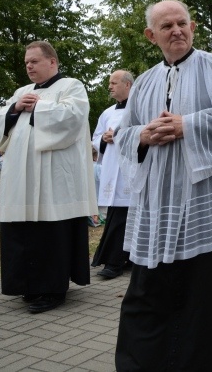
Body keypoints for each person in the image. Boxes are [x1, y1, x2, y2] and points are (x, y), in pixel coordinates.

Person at [113, 0, 212, 371]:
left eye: (182, 23)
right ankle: (145, 359)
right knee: (149, 287)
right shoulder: (143, 83)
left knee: (204, 288)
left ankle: (203, 359)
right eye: (167, 26)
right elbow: (126, 133)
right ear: (151, 35)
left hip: (206, 198)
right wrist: (144, 135)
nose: (176, 30)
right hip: (159, 202)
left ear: (192, 27)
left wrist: (186, 125)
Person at [0, 40, 96, 313]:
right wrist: (15, 108)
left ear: (52, 62)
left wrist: (37, 107)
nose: (28, 66)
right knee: (23, 232)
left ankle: (52, 289)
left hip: (54, 177)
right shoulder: (22, 91)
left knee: (50, 233)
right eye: (26, 62)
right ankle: (28, 285)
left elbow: (73, 118)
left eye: (34, 61)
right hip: (20, 177)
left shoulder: (71, 86)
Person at [91, 70, 134, 279]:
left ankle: (118, 260)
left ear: (128, 85)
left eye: (114, 82)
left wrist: (117, 135)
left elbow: (144, 132)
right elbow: (96, 137)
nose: (110, 86)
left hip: (131, 170)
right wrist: (103, 140)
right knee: (116, 215)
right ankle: (116, 259)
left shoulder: (140, 108)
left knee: (128, 217)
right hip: (111, 167)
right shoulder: (107, 113)